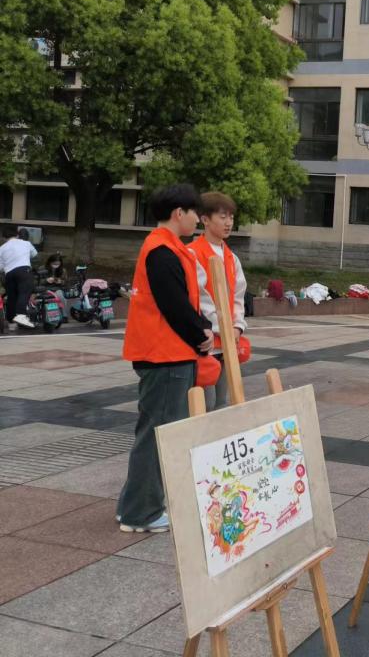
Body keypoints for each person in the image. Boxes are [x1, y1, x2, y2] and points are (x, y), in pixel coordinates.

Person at [118, 184, 214, 533]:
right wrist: (201, 334)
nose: (197, 220)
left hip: (165, 353)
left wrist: (199, 327)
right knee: (158, 434)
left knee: (153, 431)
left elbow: (179, 301)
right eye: (195, 214)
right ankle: (140, 514)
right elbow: (173, 304)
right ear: (179, 213)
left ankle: (132, 507)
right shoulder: (162, 250)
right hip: (165, 355)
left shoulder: (165, 247)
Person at [189, 192, 248, 411]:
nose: (228, 222)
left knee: (223, 402)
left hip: (227, 342)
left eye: (231, 217)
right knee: (206, 403)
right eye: (222, 217)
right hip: (204, 342)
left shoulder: (232, 257)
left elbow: (238, 295)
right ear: (205, 219)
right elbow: (200, 298)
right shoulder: (193, 253)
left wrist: (237, 326)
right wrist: (221, 327)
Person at [0, 226, 38, 329]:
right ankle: (21, 315)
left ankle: (11, 320)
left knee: (12, 297)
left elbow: (1, 267)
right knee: (24, 292)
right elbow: (34, 254)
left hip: (9, 274)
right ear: (17, 235)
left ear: (4, 237)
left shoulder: (2, 248)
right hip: (23, 271)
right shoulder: (26, 243)